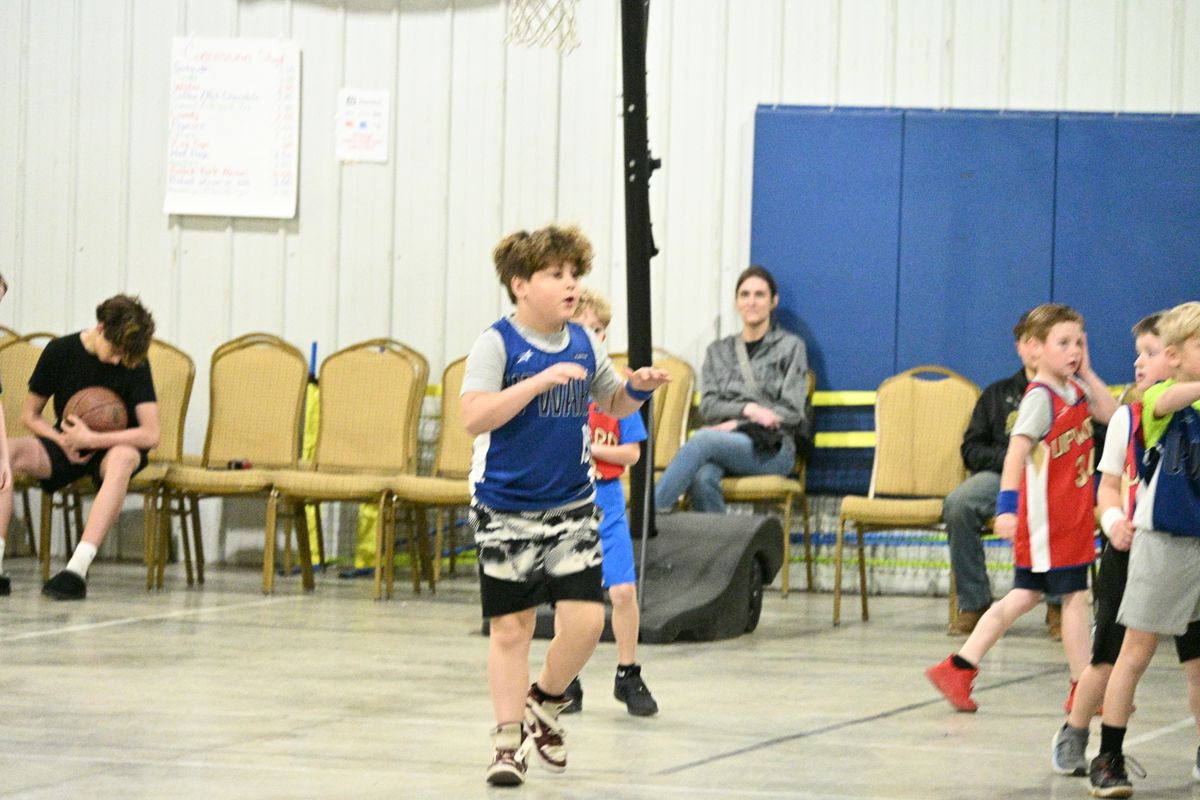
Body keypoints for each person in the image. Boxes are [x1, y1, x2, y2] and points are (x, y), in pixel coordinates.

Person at [461, 224, 669, 787]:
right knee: (512, 629)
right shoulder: (497, 343)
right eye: (556, 274)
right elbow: (473, 416)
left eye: (575, 274)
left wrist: (638, 388)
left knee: (587, 621)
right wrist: (536, 382)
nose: (571, 284)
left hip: (572, 505)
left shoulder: (584, 342)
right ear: (521, 284)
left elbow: (612, 400)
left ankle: (545, 701)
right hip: (504, 507)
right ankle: (507, 743)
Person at [926, 303, 1117, 713]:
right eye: (1063, 343)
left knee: (1024, 597)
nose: (1073, 351)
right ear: (1035, 348)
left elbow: (1114, 416)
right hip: (1048, 521)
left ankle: (958, 667)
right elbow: (1015, 454)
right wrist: (1007, 507)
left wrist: (1088, 372)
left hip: (1071, 517)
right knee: (1074, 598)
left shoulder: (1075, 389)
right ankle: (1083, 689)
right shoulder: (1040, 398)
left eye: (1078, 342)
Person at [1051, 312, 1190, 778]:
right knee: (1109, 657)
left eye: (1150, 353)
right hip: (1130, 550)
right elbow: (1107, 488)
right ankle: (1077, 731)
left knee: (1194, 661)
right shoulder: (1132, 418)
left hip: (1182, 551)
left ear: (1175, 357)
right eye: (1139, 354)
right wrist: (1112, 522)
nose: (1139, 362)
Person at [1088, 301, 1200, 798]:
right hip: (1165, 543)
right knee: (1136, 650)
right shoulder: (1158, 399)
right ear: (1173, 356)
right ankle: (1108, 755)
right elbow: (1170, 398)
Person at [0, 294, 158, 600]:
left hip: (112, 447)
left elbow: (151, 435)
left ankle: (77, 569)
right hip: (67, 443)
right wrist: (62, 440)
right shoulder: (60, 351)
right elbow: (30, 416)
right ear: (101, 328)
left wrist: (93, 440)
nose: (118, 360)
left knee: (123, 458)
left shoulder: (136, 362)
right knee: (5, 451)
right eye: (115, 352)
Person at [559, 288, 658, 717]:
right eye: (585, 329)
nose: (594, 336)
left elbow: (631, 453)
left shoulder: (615, 391)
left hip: (608, 498)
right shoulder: (558, 388)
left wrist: (591, 449)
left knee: (622, 589)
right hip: (567, 498)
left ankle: (627, 672)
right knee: (571, 596)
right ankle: (566, 677)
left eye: (599, 329)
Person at [654, 265, 808, 513]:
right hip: (725, 444)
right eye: (745, 295)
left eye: (759, 295)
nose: (752, 301)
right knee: (702, 479)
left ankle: (648, 516)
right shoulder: (718, 351)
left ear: (773, 301)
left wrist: (737, 424)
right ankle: (718, 539)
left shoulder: (791, 347)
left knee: (702, 439)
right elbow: (708, 407)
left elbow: (791, 412)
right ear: (737, 302)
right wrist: (749, 409)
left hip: (772, 449)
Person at [945, 312, 1039, 635]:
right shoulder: (997, 394)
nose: (1035, 348)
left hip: (1054, 478)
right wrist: (1009, 460)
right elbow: (971, 448)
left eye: (1043, 341)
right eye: (1029, 341)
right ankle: (974, 603)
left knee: (1060, 505)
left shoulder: (1073, 393)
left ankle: (1058, 605)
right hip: (1001, 475)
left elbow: (1098, 441)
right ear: (1019, 347)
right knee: (959, 504)